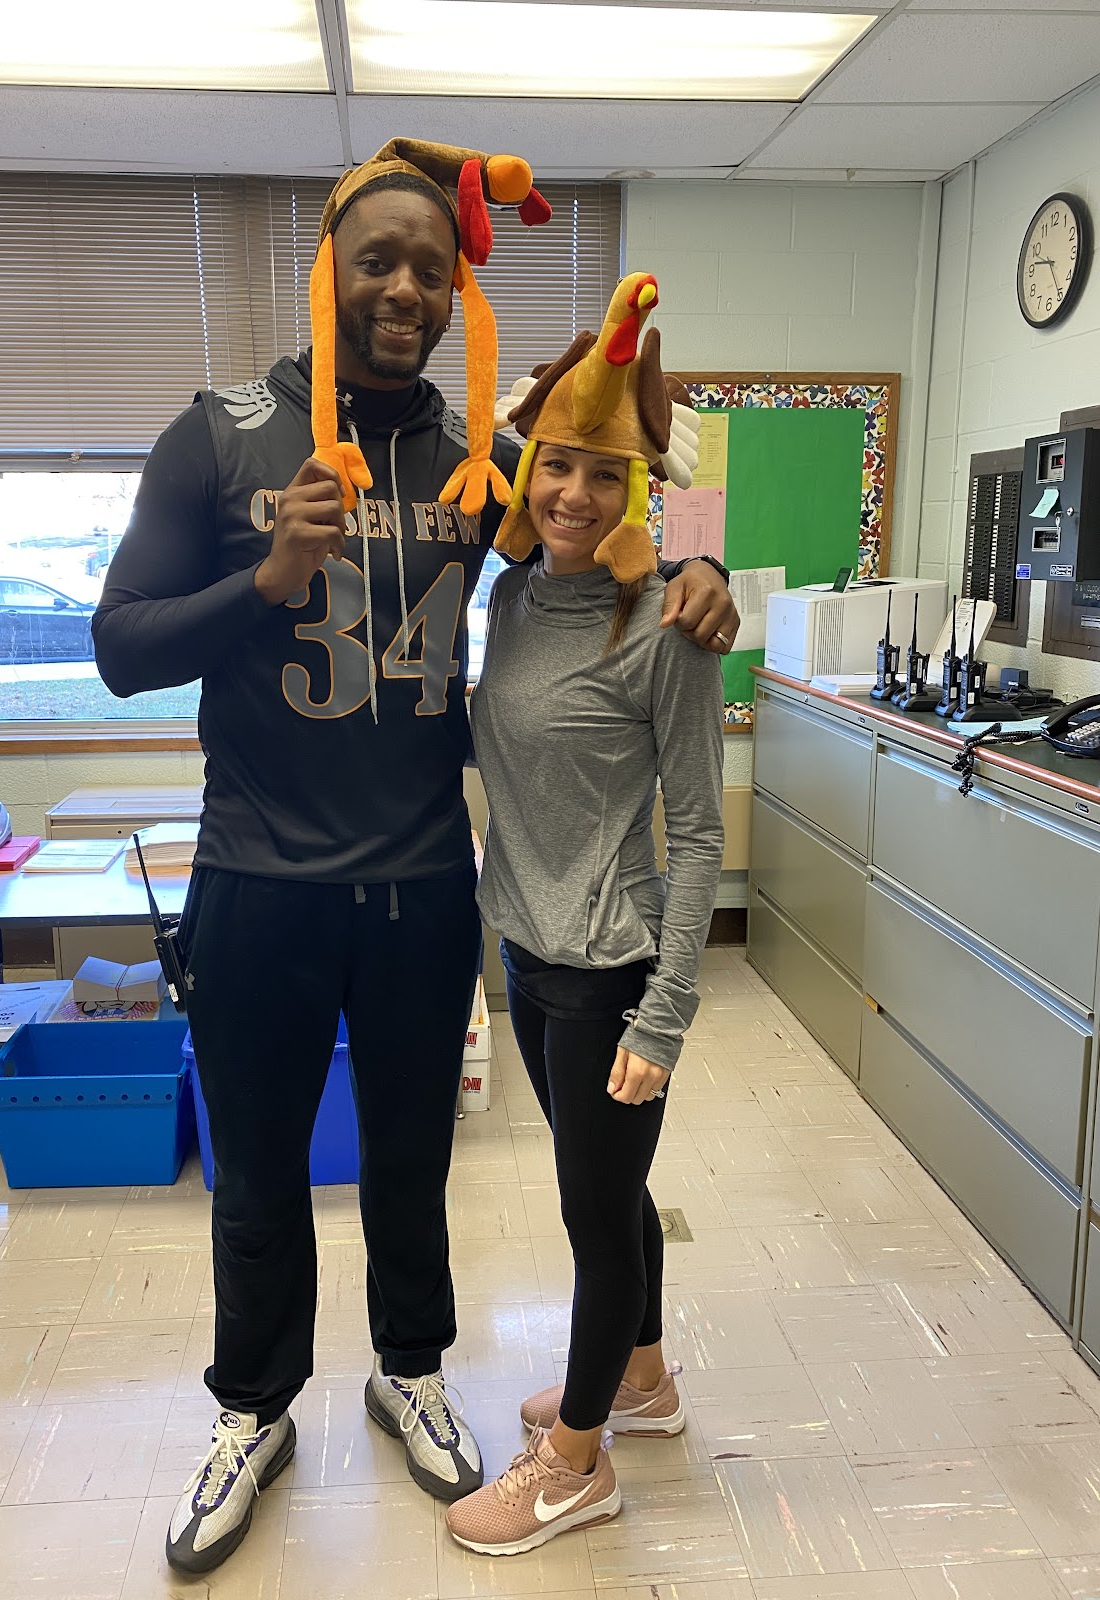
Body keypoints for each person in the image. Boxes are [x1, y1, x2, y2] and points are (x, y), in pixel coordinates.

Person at [91, 140, 739, 1578]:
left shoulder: (481, 460)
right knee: (258, 1170)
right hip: (256, 877)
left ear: (457, 295)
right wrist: (263, 577)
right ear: (327, 267)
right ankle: (253, 1408)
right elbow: (119, 644)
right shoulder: (219, 435)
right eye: (375, 259)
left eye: (429, 270)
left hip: (422, 886)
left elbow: (614, 494)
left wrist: (709, 568)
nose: (402, 288)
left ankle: (412, 1367)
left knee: (409, 1162)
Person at [446, 273, 725, 1557]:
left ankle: (576, 1465)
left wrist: (664, 1018)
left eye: (603, 474)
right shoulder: (511, 598)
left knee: (593, 1219)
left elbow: (699, 833)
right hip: (529, 946)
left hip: (613, 966)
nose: (573, 493)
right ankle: (644, 1381)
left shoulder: (670, 626)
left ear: (637, 487)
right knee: (614, 1193)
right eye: (556, 464)